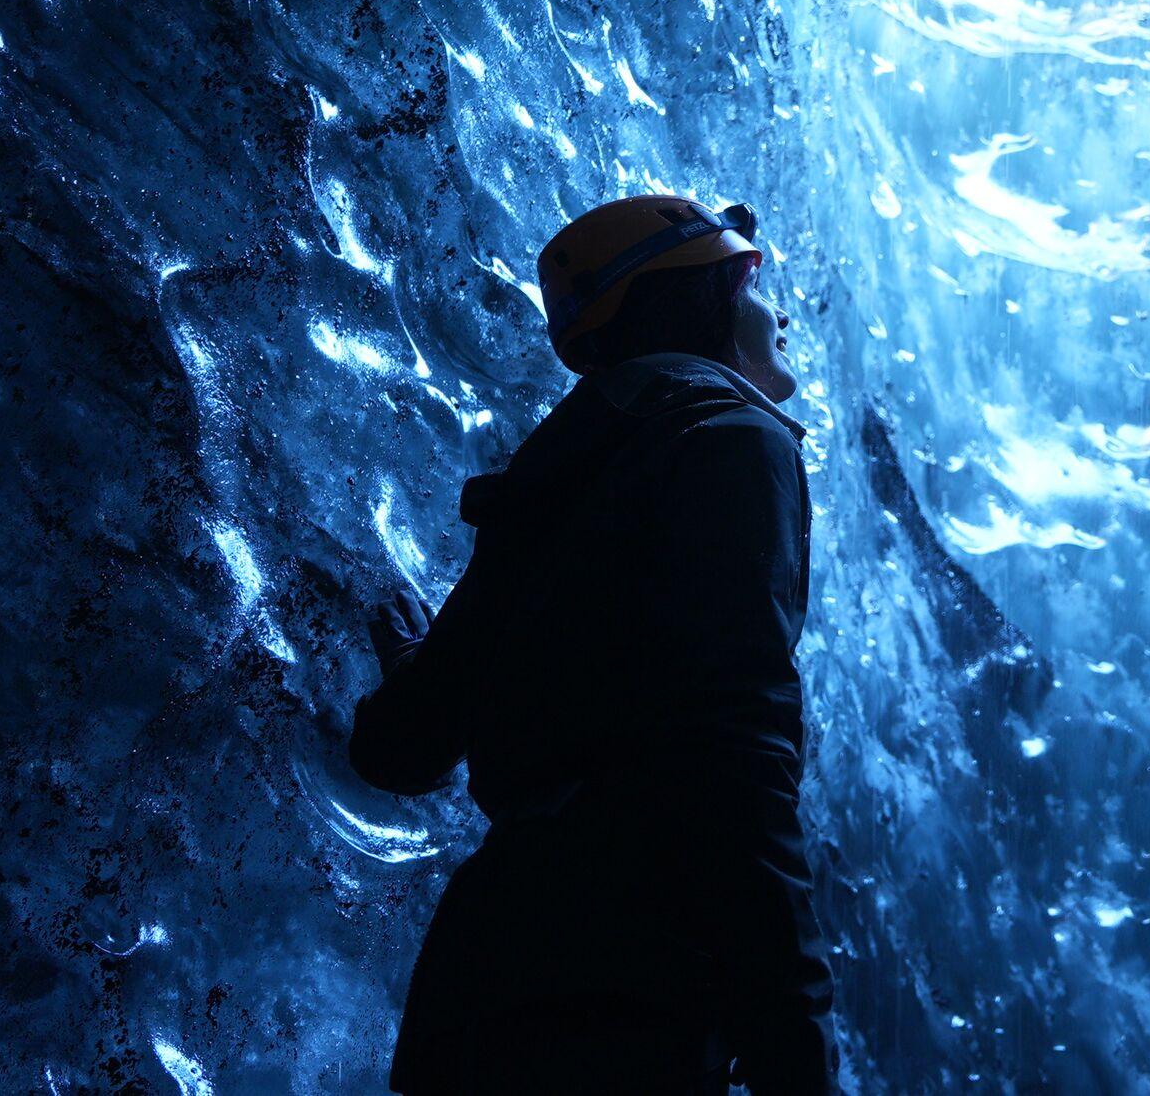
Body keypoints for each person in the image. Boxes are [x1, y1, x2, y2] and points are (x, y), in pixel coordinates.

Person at [348, 195, 838, 1095]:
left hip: (482, 973)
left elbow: (400, 747)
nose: (780, 311)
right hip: (623, 982)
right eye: (752, 282)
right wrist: (793, 1039)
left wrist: (426, 673)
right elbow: (739, 750)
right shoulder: (732, 439)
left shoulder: (559, 469)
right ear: (700, 301)